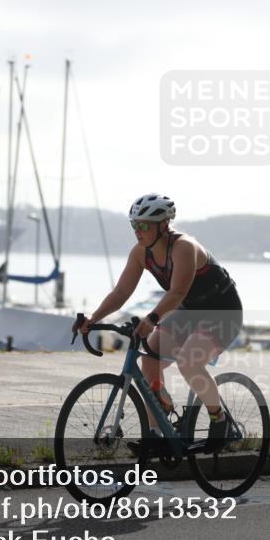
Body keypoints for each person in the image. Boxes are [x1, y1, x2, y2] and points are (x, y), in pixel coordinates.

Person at [75, 193, 243, 453]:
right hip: (189, 312)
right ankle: (158, 432)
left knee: (189, 361)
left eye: (143, 226)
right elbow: (121, 293)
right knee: (149, 357)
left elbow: (177, 293)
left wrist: (151, 319)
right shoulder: (141, 253)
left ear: (163, 225)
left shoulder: (184, 247)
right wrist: (93, 318)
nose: (137, 231)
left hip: (222, 312)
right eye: (134, 225)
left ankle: (219, 420)